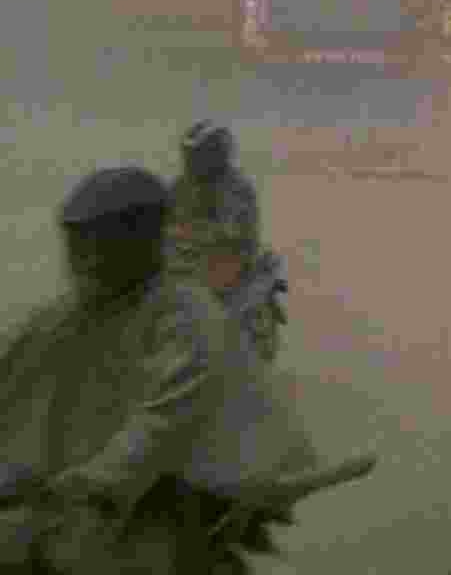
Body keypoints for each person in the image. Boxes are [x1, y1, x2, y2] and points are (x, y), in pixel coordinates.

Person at [0, 166, 319, 573]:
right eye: (77, 243)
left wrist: (103, 475)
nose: (85, 259)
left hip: (177, 486)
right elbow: (11, 370)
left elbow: (166, 416)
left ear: (142, 240)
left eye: (100, 244)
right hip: (71, 489)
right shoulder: (64, 315)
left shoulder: (185, 313)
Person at [169, 120, 287, 362]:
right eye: (190, 156)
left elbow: (229, 231)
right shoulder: (182, 185)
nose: (192, 162)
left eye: (197, 156)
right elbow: (165, 215)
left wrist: (190, 232)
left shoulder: (237, 189)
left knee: (209, 303)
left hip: (232, 258)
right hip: (191, 256)